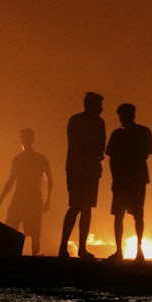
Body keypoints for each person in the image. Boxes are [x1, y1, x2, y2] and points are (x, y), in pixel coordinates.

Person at [57, 92, 106, 260]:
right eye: (99, 105)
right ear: (90, 105)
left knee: (82, 208)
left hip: (81, 168)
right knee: (79, 207)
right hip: (81, 169)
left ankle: (73, 247)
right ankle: (71, 248)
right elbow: (99, 147)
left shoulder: (79, 121)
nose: (101, 109)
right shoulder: (88, 122)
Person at [105, 103, 152, 263]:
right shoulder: (142, 132)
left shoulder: (121, 134)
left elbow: (112, 156)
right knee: (133, 216)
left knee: (128, 216)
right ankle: (131, 251)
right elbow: (145, 154)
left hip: (129, 180)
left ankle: (129, 251)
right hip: (131, 179)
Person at [0, 129, 53, 256]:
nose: (24, 141)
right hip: (22, 198)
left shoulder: (37, 159)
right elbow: (10, 181)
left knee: (32, 233)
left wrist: (47, 200)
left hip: (30, 198)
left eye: (25, 138)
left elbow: (50, 181)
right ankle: (14, 256)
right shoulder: (21, 159)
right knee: (15, 229)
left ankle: (29, 257)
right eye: (23, 138)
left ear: (30, 140)